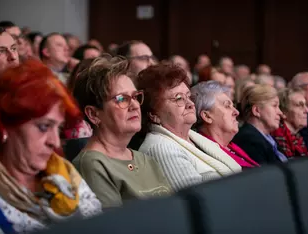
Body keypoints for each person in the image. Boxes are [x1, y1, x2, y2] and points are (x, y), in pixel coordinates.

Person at [0, 60, 101, 233]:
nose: (55, 142)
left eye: (57, 128)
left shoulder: (63, 171)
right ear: (4, 126)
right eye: (44, 127)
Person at [72, 55, 171, 208]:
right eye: (121, 99)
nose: (135, 105)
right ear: (93, 114)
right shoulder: (92, 165)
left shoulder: (144, 159)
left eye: (135, 97)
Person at [137, 63, 241, 191]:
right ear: (153, 114)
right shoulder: (162, 148)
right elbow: (199, 201)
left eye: (188, 96)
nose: (190, 104)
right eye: (179, 98)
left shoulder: (193, 136)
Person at [191, 81, 259, 168]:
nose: (236, 112)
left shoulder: (232, 147)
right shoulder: (206, 157)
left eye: (233, 106)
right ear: (207, 116)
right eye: (227, 106)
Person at [232, 84, 287, 164]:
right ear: (256, 111)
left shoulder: (268, 138)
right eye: (274, 106)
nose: (280, 113)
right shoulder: (248, 140)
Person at [271, 88, 308, 158]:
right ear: (283, 112)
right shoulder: (276, 138)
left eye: (305, 105)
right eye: (300, 105)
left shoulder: (297, 137)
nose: (307, 111)